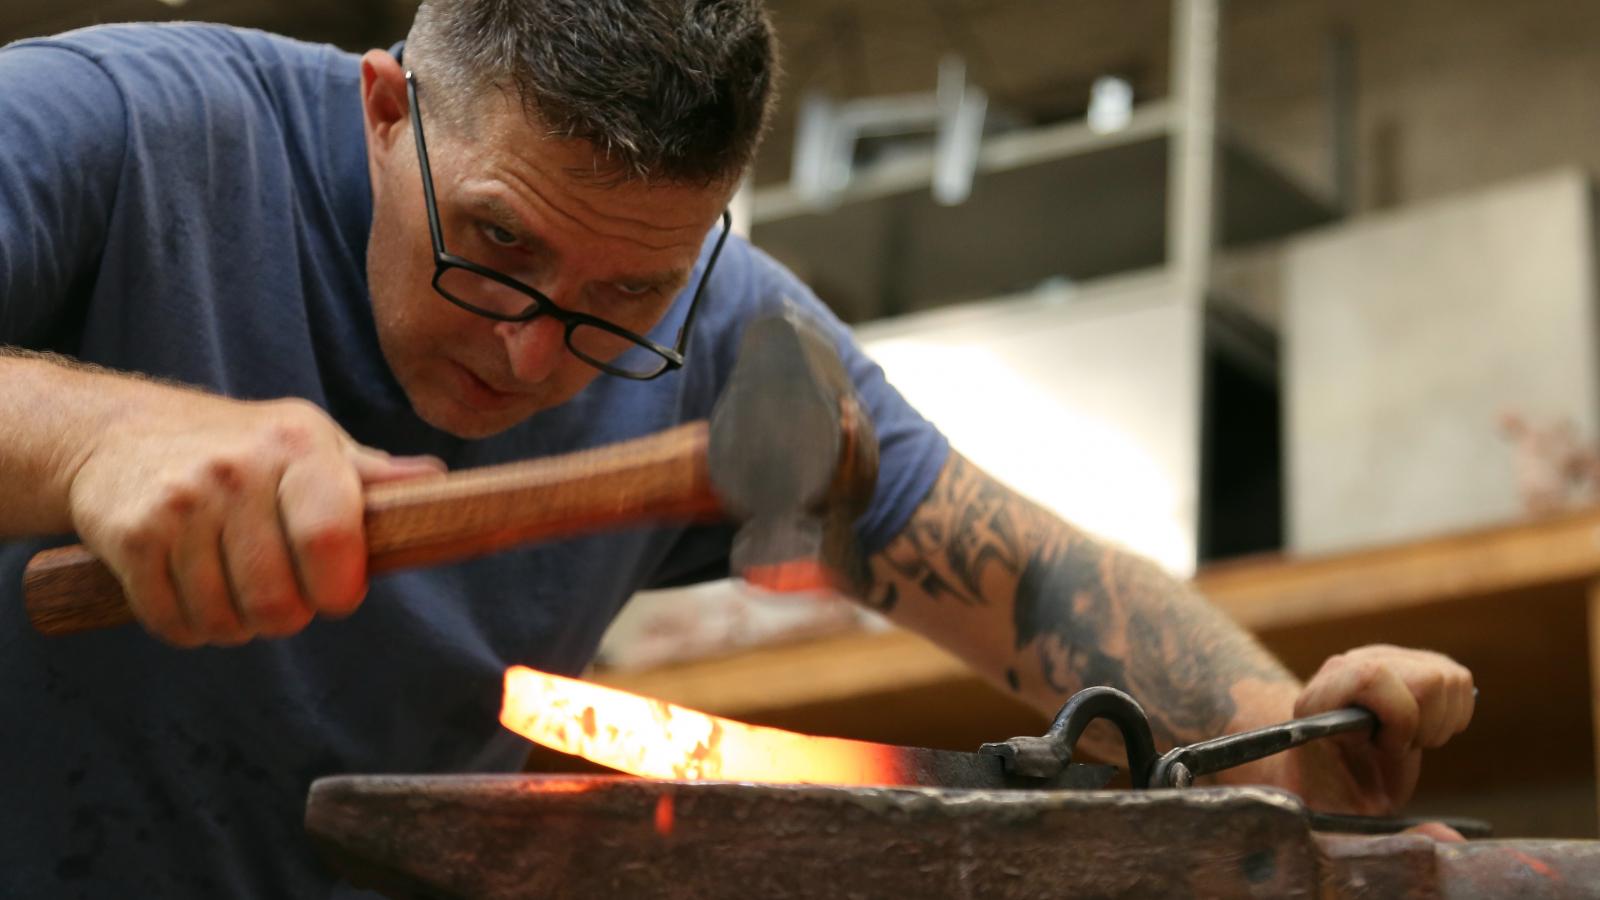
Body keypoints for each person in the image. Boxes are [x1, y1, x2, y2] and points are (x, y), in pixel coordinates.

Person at [0, 1, 1474, 896]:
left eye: (624, 297)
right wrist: (98, 433)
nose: (531, 350)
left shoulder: (732, 338)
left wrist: (1291, 731)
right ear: (388, 105)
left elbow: (1026, 580)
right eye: (496, 246)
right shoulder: (134, 128)